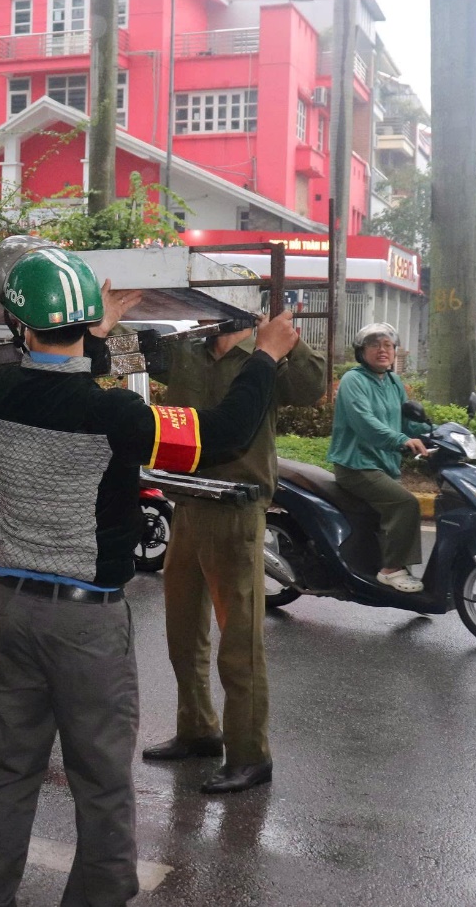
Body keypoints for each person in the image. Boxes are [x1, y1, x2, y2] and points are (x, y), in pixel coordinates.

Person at [0, 242, 301, 907]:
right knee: (99, 780)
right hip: (84, 622)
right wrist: (264, 355)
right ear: (80, 322)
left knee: (7, 772)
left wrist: (93, 332)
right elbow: (224, 435)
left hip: (13, 612)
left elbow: (53, 373)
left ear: (19, 325)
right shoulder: (115, 416)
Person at [142, 315, 326, 794]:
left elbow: (311, 388)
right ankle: (198, 729)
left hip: (238, 508)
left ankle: (249, 754)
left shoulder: (263, 353)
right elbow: (127, 355)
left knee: (239, 644)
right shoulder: (186, 350)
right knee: (183, 631)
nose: (206, 311)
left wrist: (286, 340)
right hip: (187, 503)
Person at [327, 322, 432, 592]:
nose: (382, 350)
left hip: (385, 465)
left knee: (392, 511)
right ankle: (391, 570)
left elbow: (405, 419)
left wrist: (430, 433)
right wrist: (400, 441)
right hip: (357, 465)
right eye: (374, 345)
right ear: (361, 352)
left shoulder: (393, 381)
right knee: (405, 504)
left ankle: (389, 561)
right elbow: (365, 423)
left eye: (388, 345)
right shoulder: (354, 381)